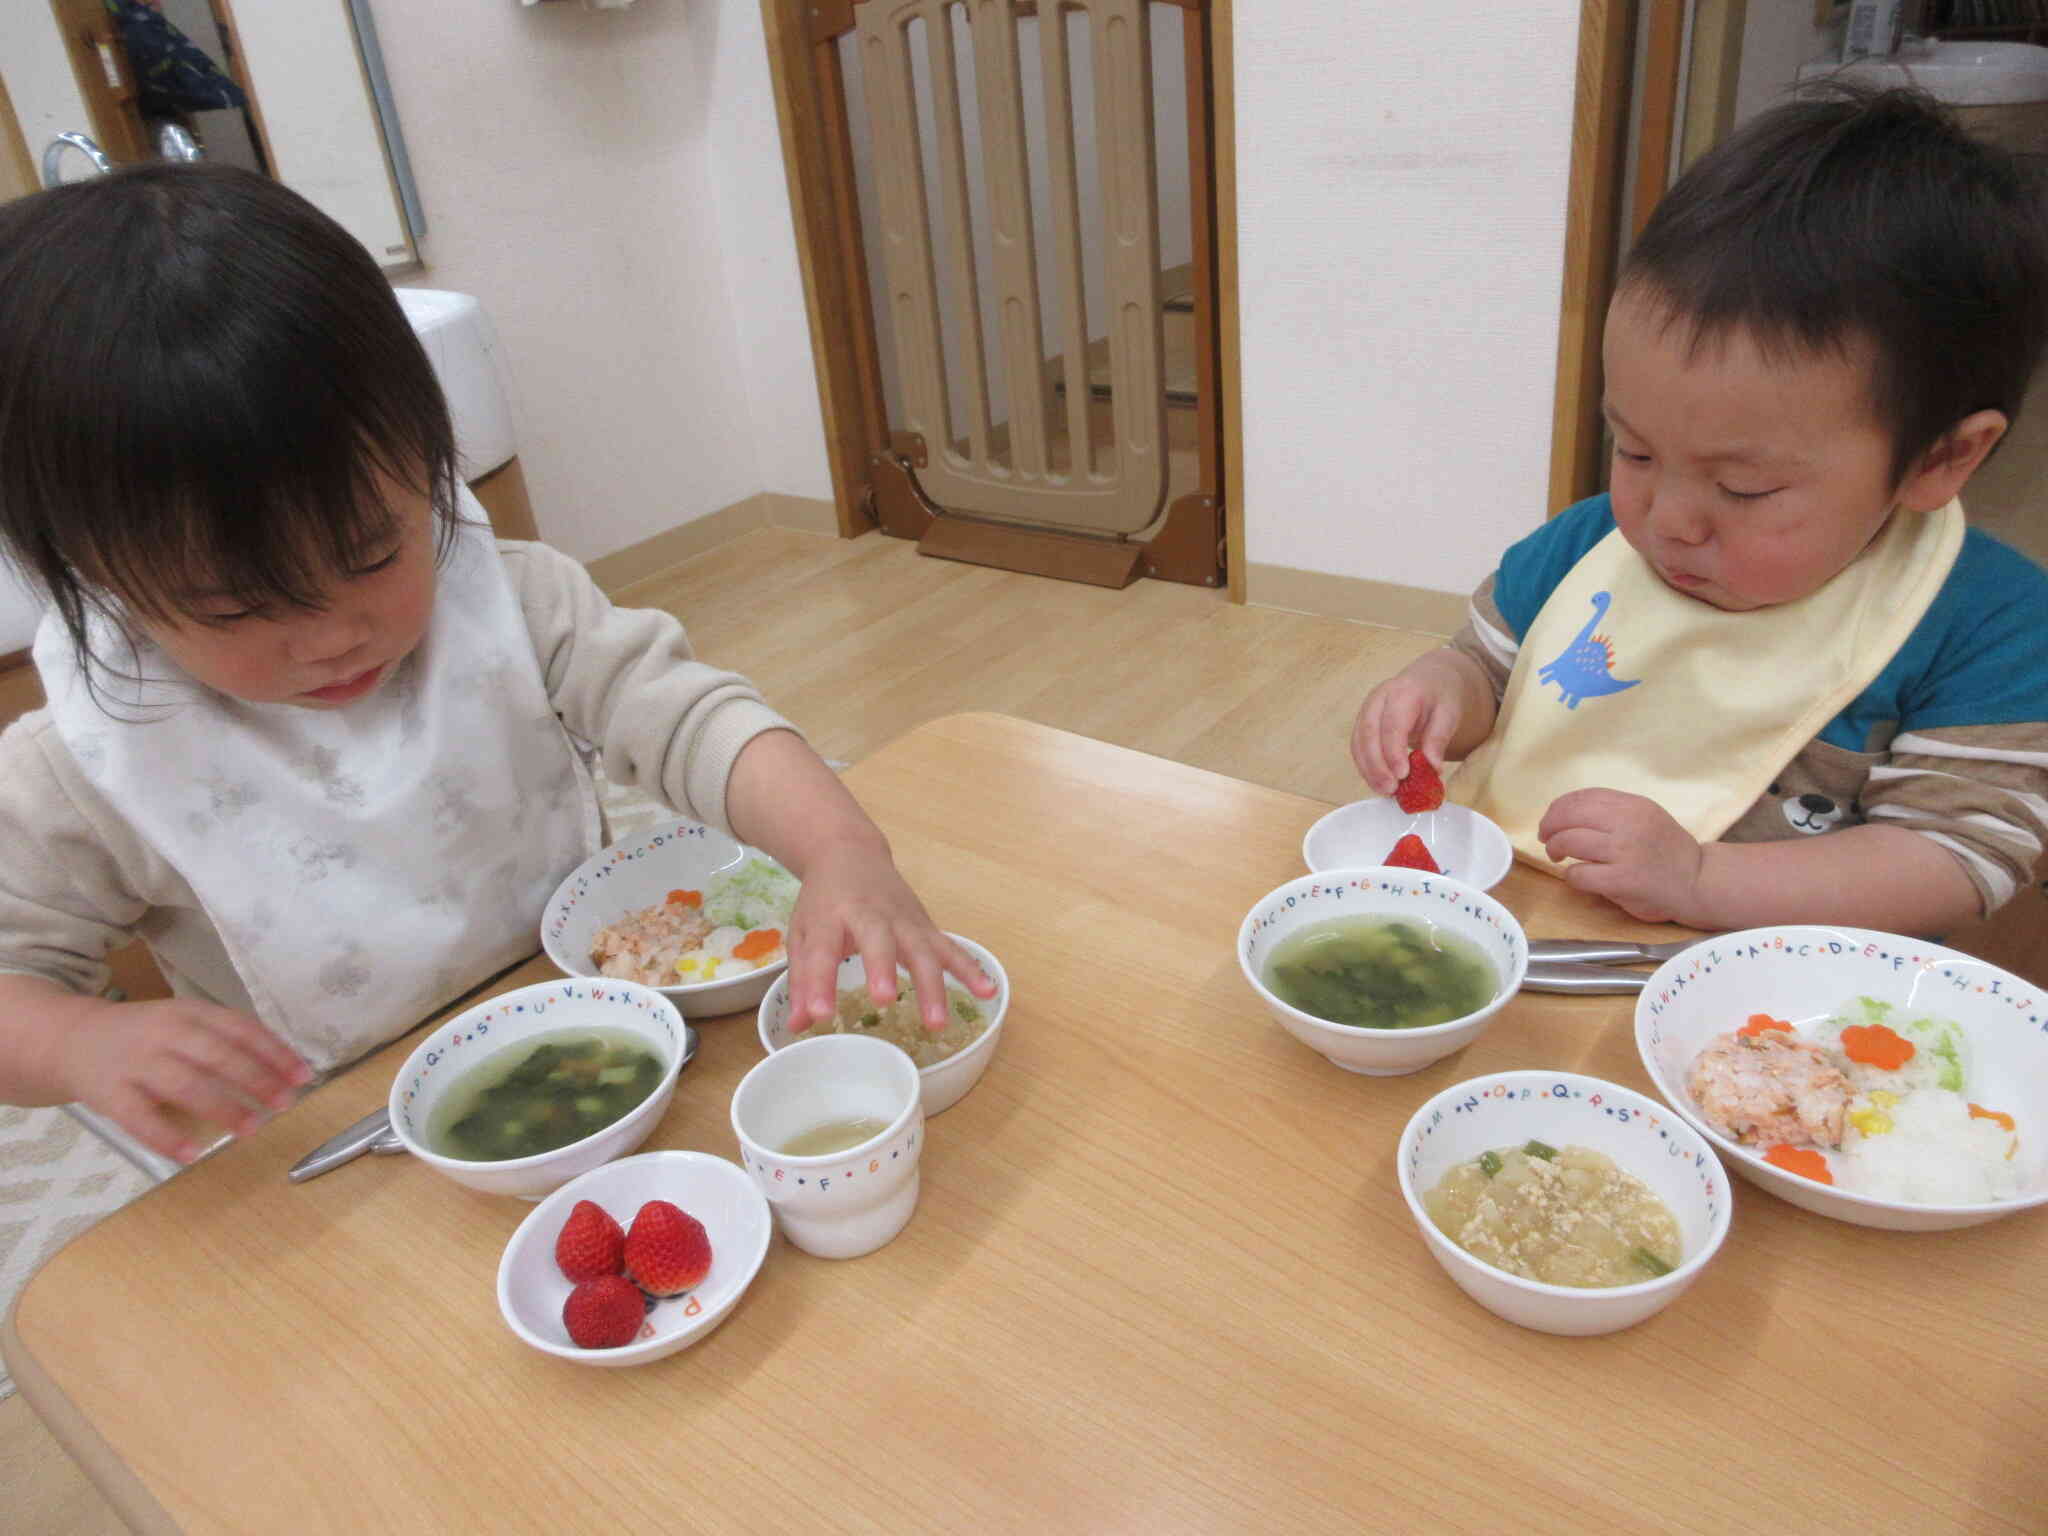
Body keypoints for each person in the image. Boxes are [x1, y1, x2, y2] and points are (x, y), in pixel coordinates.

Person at [0, 163, 991, 1164]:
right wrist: (80, 1041)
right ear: (102, 577)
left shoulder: (510, 601)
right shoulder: (87, 763)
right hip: (337, 1139)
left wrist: (839, 851)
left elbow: (688, 718)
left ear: (430, 462)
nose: (332, 632)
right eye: (237, 606)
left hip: (605, 1039)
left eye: (373, 553)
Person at [1351, 86, 2048, 937]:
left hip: (1776, 1001)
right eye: (1635, 451)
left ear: (1942, 457)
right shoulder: (1589, 545)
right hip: (1516, 922)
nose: (1666, 519)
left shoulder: (1990, 625)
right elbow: (1489, 668)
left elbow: (1959, 858)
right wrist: (1437, 697)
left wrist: (1704, 879)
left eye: (1744, 488)